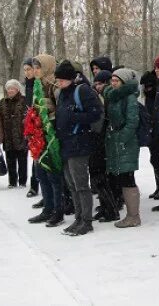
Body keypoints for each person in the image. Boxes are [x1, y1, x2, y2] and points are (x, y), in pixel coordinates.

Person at [54, 60, 103, 236]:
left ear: (69, 78)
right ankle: (78, 217)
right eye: (57, 80)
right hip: (65, 144)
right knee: (71, 184)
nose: (58, 83)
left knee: (81, 184)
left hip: (79, 144)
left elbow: (96, 113)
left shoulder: (82, 90)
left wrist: (74, 118)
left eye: (61, 80)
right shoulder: (61, 94)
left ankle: (87, 220)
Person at [28, 54, 65, 227]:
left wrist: (49, 110)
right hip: (39, 135)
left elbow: (63, 111)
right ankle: (48, 208)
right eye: (34, 67)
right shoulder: (37, 84)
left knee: (54, 175)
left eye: (38, 67)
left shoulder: (55, 85)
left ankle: (58, 211)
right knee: (41, 173)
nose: (35, 71)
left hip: (53, 136)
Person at [104, 68, 142, 228]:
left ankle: (133, 216)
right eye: (112, 80)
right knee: (121, 177)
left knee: (127, 177)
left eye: (116, 81)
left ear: (124, 82)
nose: (113, 83)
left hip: (126, 143)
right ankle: (130, 214)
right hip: (115, 141)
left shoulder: (130, 98)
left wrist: (121, 138)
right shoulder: (113, 96)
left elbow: (132, 122)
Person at [91, 70, 120, 222]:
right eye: (95, 84)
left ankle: (112, 208)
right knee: (98, 176)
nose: (98, 87)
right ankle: (105, 206)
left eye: (100, 83)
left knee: (104, 177)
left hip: (105, 141)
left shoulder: (110, 97)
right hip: (100, 140)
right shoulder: (100, 97)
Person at [0, 79, 28, 188]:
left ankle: (22, 181)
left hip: (21, 135)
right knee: (10, 160)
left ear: (17, 89)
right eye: (8, 88)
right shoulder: (2, 102)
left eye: (13, 88)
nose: (10, 90)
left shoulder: (24, 100)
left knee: (22, 161)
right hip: (8, 136)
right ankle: (12, 181)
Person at [141, 68, 159, 200]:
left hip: (158, 131)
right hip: (152, 131)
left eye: (148, 86)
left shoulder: (157, 93)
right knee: (154, 160)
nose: (146, 89)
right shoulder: (150, 95)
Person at [23, 58, 39, 198]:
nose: (27, 72)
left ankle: (36, 184)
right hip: (30, 124)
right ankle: (34, 185)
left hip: (39, 123)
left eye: (29, 69)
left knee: (39, 157)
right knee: (34, 156)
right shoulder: (28, 85)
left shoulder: (38, 84)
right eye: (25, 70)